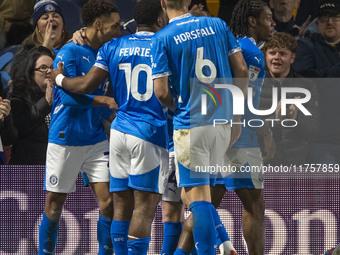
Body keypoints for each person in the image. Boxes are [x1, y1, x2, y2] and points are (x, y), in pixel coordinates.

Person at [51, 0, 169, 254]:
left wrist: (58, 78)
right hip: (149, 131)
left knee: (121, 205)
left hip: (118, 133)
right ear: (160, 21)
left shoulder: (113, 46)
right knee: (145, 209)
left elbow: (83, 85)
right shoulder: (165, 46)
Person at [150, 0, 249, 254]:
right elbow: (242, 69)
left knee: (199, 200)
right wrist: (236, 116)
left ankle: (210, 250)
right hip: (223, 122)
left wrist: (180, 105)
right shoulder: (217, 24)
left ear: (163, 3)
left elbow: (161, 93)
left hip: (191, 124)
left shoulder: (162, 37)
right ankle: (226, 244)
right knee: (191, 195)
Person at [38, 1, 120, 254]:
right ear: (98, 25)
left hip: (95, 138)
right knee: (54, 205)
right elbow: (71, 99)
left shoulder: (105, 53)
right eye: (114, 26)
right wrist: (105, 101)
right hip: (66, 137)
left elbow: (105, 103)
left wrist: (114, 113)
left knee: (109, 203)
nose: (119, 30)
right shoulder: (68, 52)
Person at [260, 32, 320, 165]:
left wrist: (296, 117)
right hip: (262, 162)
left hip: (295, 163)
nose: (276, 57)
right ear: (266, 56)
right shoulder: (254, 85)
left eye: (282, 53)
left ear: (292, 58)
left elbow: (314, 131)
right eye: (272, 53)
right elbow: (245, 126)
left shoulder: (307, 86)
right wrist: (273, 120)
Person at [292, 0, 340, 164]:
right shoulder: (304, 46)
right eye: (324, 17)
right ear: (317, 22)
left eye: (335, 17)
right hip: (322, 138)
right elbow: (309, 82)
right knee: (323, 189)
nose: (330, 22)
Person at [8, 47, 53, 165]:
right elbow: (21, 127)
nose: (49, 71)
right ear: (31, 72)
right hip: (27, 168)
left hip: (56, 167)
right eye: (43, 68)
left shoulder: (62, 96)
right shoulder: (19, 96)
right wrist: (46, 102)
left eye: (52, 68)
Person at [10, 0, 70, 80]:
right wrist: (44, 49)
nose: (51, 19)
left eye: (55, 16)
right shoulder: (28, 47)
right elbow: (16, 74)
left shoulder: (73, 43)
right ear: (37, 27)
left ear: (63, 24)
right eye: (45, 18)